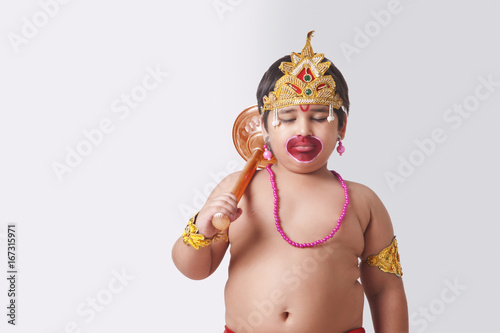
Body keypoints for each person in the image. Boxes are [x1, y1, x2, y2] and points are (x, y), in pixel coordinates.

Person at [172, 31, 408, 333]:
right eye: (287, 117)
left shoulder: (363, 202)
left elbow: (385, 289)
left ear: (342, 127)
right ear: (264, 127)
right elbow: (195, 269)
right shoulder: (238, 190)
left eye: (321, 117)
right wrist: (200, 230)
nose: (304, 130)